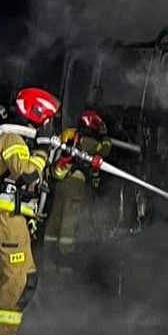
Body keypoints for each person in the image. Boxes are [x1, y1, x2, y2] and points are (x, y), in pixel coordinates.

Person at [0, 87, 60, 335]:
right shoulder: (12, 138)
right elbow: (28, 175)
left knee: (18, 276)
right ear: (36, 114)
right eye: (48, 119)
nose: (49, 125)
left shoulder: (21, 140)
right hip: (7, 220)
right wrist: (43, 151)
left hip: (12, 221)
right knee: (17, 280)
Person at [47, 109, 112, 260]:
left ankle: (49, 260)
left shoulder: (69, 136)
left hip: (61, 182)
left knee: (54, 221)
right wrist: (105, 137)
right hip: (75, 185)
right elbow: (104, 150)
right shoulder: (87, 141)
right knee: (69, 224)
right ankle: (66, 263)